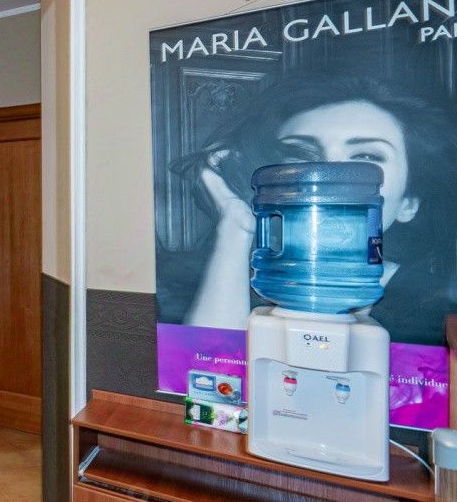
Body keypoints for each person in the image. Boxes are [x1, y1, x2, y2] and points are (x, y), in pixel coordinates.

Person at [161, 72, 457, 345]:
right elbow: (210, 371)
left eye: (365, 156)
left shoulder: (439, 308)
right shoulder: (223, 284)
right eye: (300, 153)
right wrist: (235, 226)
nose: (325, 176)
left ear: (408, 202)